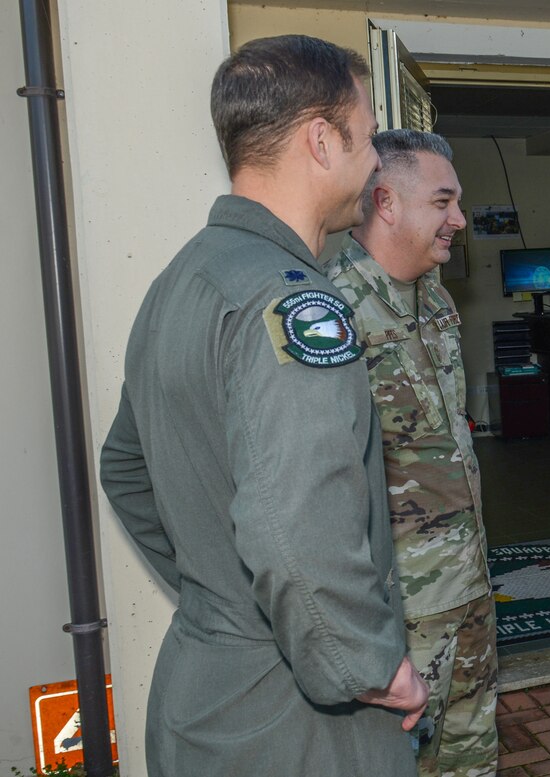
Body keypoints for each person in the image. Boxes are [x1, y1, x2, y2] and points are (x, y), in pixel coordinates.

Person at [98, 35, 428, 777]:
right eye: (368, 133)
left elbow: (124, 467)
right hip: (297, 728)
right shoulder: (296, 303)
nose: (376, 157)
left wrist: (224, 598)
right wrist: (372, 665)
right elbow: (293, 528)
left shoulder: (179, 281)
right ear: (321, 140)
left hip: (204, 702)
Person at [327, 129, 497, 777]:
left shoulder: (437, 298)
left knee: (471, 760)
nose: (458, 219)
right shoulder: (334, 310)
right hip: (401, 617)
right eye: (444, 201)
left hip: (468, 587)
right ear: (387, 202)